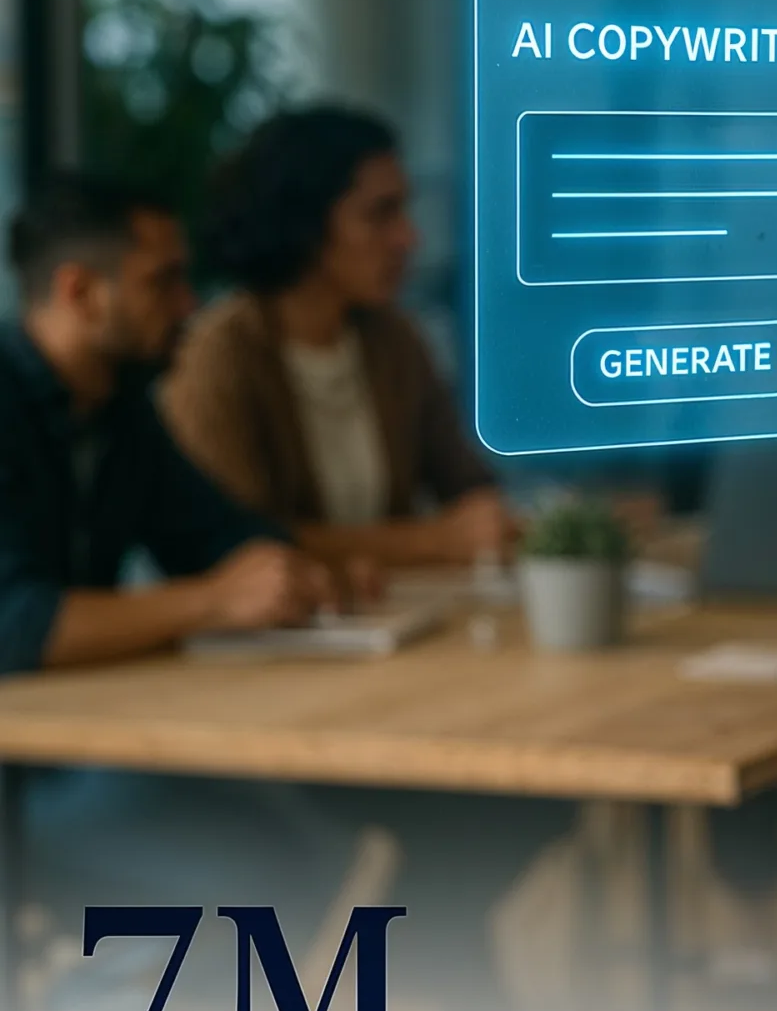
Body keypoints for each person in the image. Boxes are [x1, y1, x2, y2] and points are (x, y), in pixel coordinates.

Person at [1, 175, 334, 671]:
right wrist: (215, 601)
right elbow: (14, 624)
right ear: (81, 291)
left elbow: (215, 536)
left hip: (80, 712)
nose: (188, 305)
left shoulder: (119, 408)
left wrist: (286, 569)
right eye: (164, 280)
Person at [160, 105, 511, 569]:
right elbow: (239, 543)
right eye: (380, 214)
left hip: (395, 620)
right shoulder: (220, 357)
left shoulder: (393, 339)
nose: (408, 238)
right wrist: (432, 541)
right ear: (303, 224)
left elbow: (467, 487)